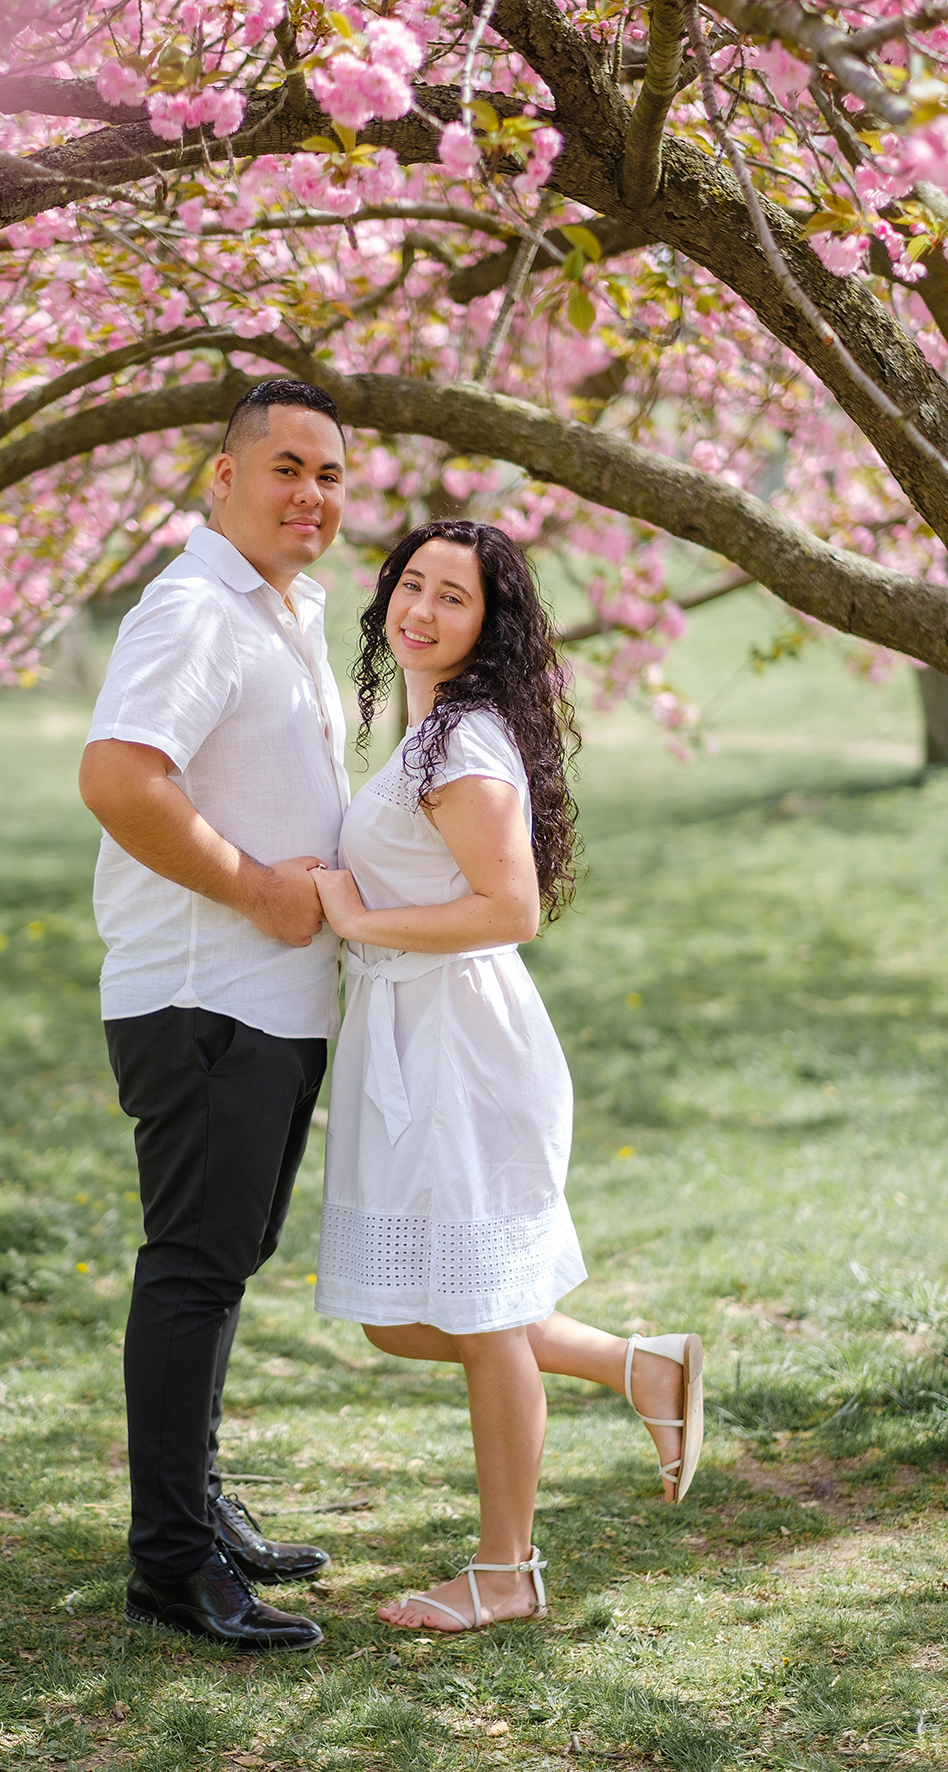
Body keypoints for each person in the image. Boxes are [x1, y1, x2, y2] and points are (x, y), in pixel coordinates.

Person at [312, 520, 705, 1634]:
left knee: (480, 1317)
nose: (422, 610)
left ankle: (504, 1571)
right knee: (399, 1317)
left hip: (460, 1048)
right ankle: (638, 1366)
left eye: (454, 596)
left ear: (489, 625)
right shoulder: (430, 728)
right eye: (412, 585)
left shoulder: (462, 741)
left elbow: (509, 908)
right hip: (414, 1036)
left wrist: (357, 916)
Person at [78, 378, 352, 1654]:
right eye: (285, 466)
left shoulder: (280, 608)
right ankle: (170, 1564)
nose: (310, 494)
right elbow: (118, 777)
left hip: (269, 1000)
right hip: (205, 997)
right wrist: (256, 889)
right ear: (222, 478)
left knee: (222, 1260)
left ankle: (198, 1506)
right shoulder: (194, 608)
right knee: (192, 1268)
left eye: (329, 474)